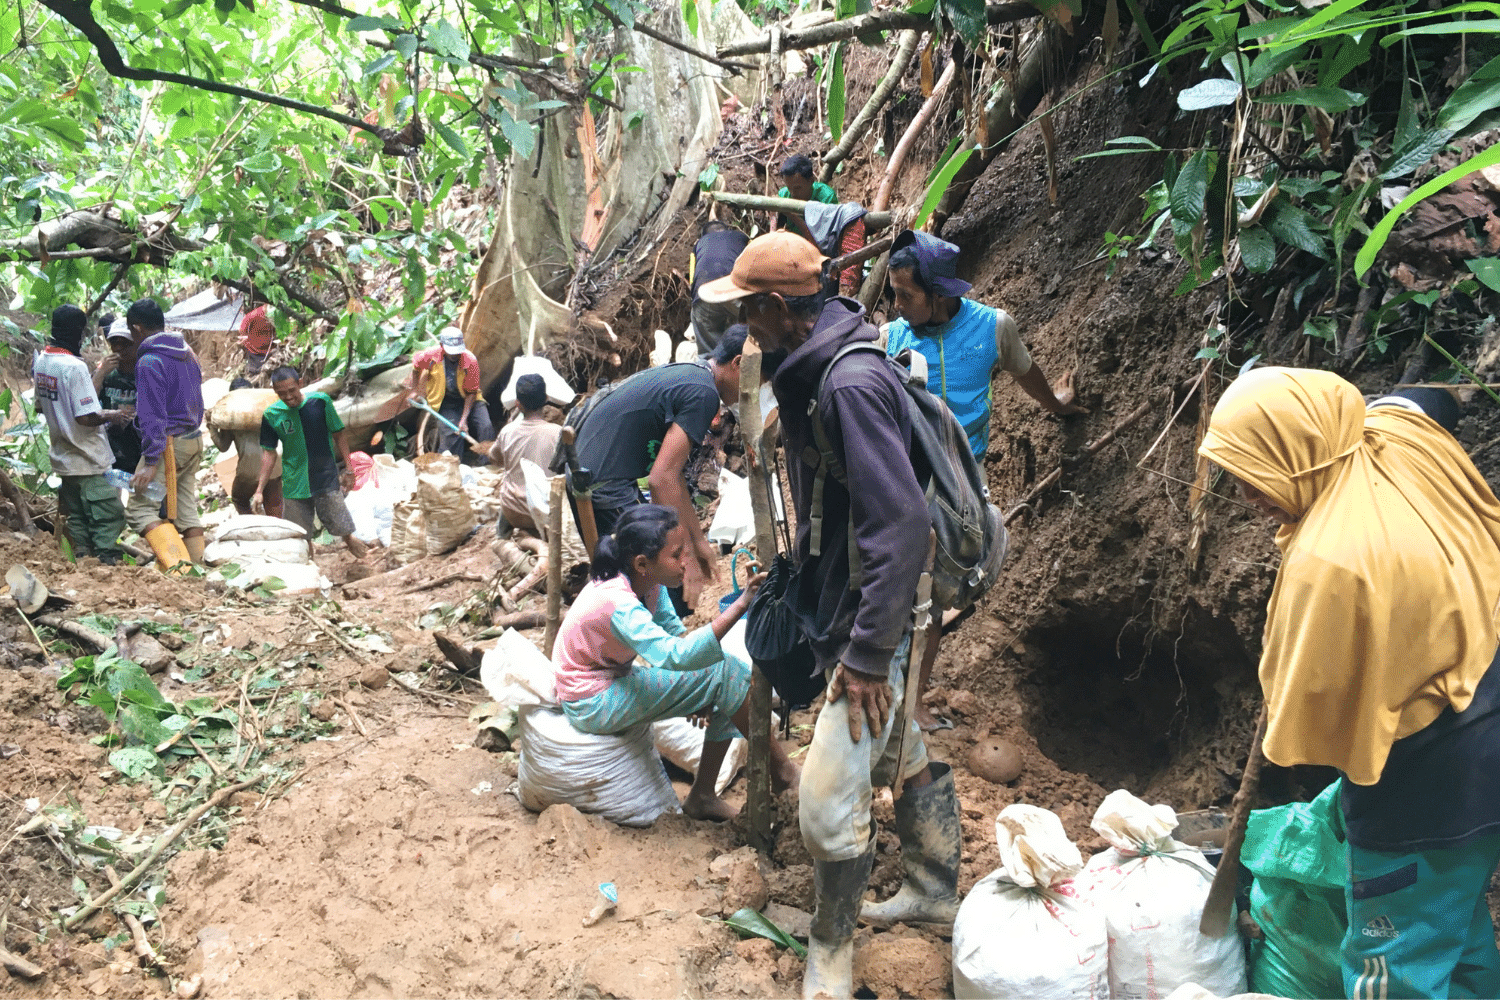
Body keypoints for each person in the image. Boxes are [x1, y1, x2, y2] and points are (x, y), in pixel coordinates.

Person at [698, 231, 959, 998]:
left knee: (823, 803)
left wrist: (871, 652)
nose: (744, 329)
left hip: (877, 611)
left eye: (749, 313)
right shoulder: (824, 360)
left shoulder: (846, 387)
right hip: (858, 597)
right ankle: (936, 887)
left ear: (781, 308)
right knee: (891, 740)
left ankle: (831, 946)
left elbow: (903, 524)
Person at [1198, 367, 1500, 1000]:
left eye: (1256, 471)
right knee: (1455, 924)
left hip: (1432, 783)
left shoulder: (1331, 563)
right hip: (1489, 713)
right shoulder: (1389, 437)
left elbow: (1303, 719)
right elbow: (1425, 400)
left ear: (1300, 447)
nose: (1250, 495)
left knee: (1393, 967)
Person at [884, 229, 1087, 731]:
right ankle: (890, 689)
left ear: (940, 295)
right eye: (894, 293)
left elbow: (1025, 372)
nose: (896, 304)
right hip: (906, 481)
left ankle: (910, 701)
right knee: (900, 588)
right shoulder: (891, 339)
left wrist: (1058, 408)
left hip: (962, 485)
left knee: (937, 590)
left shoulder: (994, 328)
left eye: (905, 294)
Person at [553, 504, 799, 821]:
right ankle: (783, 774)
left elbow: (676, 636)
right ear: (642, 563)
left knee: (728, 679)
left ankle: (704, 796)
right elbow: (674, 655)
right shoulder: (618, 602)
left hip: (611, 678)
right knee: (726, 673)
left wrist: (697, 691)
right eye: (676, 555)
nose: (686, 562)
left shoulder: (651, 584)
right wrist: (740, 605)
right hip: (591, 699)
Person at [571, 326, 746, 613]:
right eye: (757, 379)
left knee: (647, 580)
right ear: (738, 363)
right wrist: (687, 556)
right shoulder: (704, 392)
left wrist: (699, 541)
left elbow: (672, 477)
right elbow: (661, 479)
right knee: (655, 581)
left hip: (595, 473)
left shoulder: (694, 374)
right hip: (603, 482)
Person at [33, 306, 130, 563]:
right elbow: (85, 417)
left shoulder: (42, 362)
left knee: (77, 522)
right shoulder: (73, 367)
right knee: (107, 518)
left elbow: (39, 407)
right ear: (78, 332)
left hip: (65, 460)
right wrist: (112, 414)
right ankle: (107, 568)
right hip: (89, 460)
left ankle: (84, 568)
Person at [126, 298, 207, 564]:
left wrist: (151, 462)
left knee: (140, 509)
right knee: (185, 508)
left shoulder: (149, 361)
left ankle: (178, 570)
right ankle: (198, 567)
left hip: (170, 444)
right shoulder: (187, 353)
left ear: (137, 328)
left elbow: (152, 416)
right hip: (193, 439)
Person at [256, 366, 367, 559]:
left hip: (324, 474)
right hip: (294, 482)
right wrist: (259, 490)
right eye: (282, 394)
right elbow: (269, 453)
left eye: (292, 390)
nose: (288, 397)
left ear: (300, 384)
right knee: (300, 534)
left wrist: (349, 468)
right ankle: (310, 566)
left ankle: (352, 544)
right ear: (274, 391)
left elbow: (339, 435)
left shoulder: (320, 402)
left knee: (340, 520)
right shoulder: (271, 415)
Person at [407, 326, 494, 460]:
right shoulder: (430, 356)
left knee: (485, 426)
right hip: (445, 401)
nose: (454, 355)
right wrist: (414, 390)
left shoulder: (470, 361)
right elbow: (416, 366)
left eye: (457, 352)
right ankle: (454, 467)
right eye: (451, 352)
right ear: (442, 346)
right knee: (452, 434)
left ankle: (487, 464)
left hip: (470, 398)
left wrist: (463, 419)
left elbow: (471, 392)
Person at [489, 373, 561, 534]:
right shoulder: (558, 433)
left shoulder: (507, 432)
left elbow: (493, 458)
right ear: (546, 399)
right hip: (546, 513)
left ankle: (500, 537)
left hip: (513, 512)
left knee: (508, 487)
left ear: (517, 404)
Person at [209, 377, 283, 518]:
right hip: (275, 464)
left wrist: (211, 427)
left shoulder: (231, 415)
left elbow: (223, 447)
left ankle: (253, 526)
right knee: (273, 503)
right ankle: (277, 529)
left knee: (239, 499)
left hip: (249, 469)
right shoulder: (266, 408)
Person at [687, 221, 750, 356]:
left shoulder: (698, 245)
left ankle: (710, 369)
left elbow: (692, 281)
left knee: (709, 351)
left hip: (704, 294)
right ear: (727, 230)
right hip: (734, 290)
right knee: (757, 331)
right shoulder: (740, 237)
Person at [92, 315, 142, 477]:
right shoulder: (106, 373)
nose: (119, 348)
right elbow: (86, 405)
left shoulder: (146, 371)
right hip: (111, 451)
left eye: (125, 343)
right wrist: (100, 374)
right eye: (115, 343)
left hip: (142, 451)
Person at [775, 154, 838, 246]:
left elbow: (825, 242)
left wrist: (793, 216)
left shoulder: (826, 199)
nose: (792, 194)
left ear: (811, 180)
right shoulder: (784, 195)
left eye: (797, 188)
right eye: (789, 188)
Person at [238, 304, 274, 374]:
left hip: (270, 349)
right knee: (255, 371)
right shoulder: (254, 315)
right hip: (256, 351)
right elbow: (242, 329)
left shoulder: (275, 316)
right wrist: (248, 340)